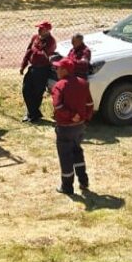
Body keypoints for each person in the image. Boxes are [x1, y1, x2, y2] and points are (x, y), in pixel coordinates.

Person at [51, 58, 94, 195]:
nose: (56, 70)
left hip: (65, 127)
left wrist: (71, 116)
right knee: (77, 152)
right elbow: (90, 104)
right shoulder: (83, 83)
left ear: (64, 70)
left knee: (65, 156)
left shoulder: (59, 86)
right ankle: (83, 181)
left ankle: (67, 187)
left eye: (58, 68)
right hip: (79, 127)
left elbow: (57, 105)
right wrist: (84, 118)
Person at [20, 21, 57, 123]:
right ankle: (33, 113)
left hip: (42, 70)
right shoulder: (35, 37)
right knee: (26, 89)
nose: (39, 30)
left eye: (42, 28)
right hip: (32, 68)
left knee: (37, 92)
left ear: (48, 30)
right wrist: (23, 65)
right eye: (39, 28)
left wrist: (36, 48)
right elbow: (29, 51)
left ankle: (32, 115)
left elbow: (44, 54)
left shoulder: (51, 41)